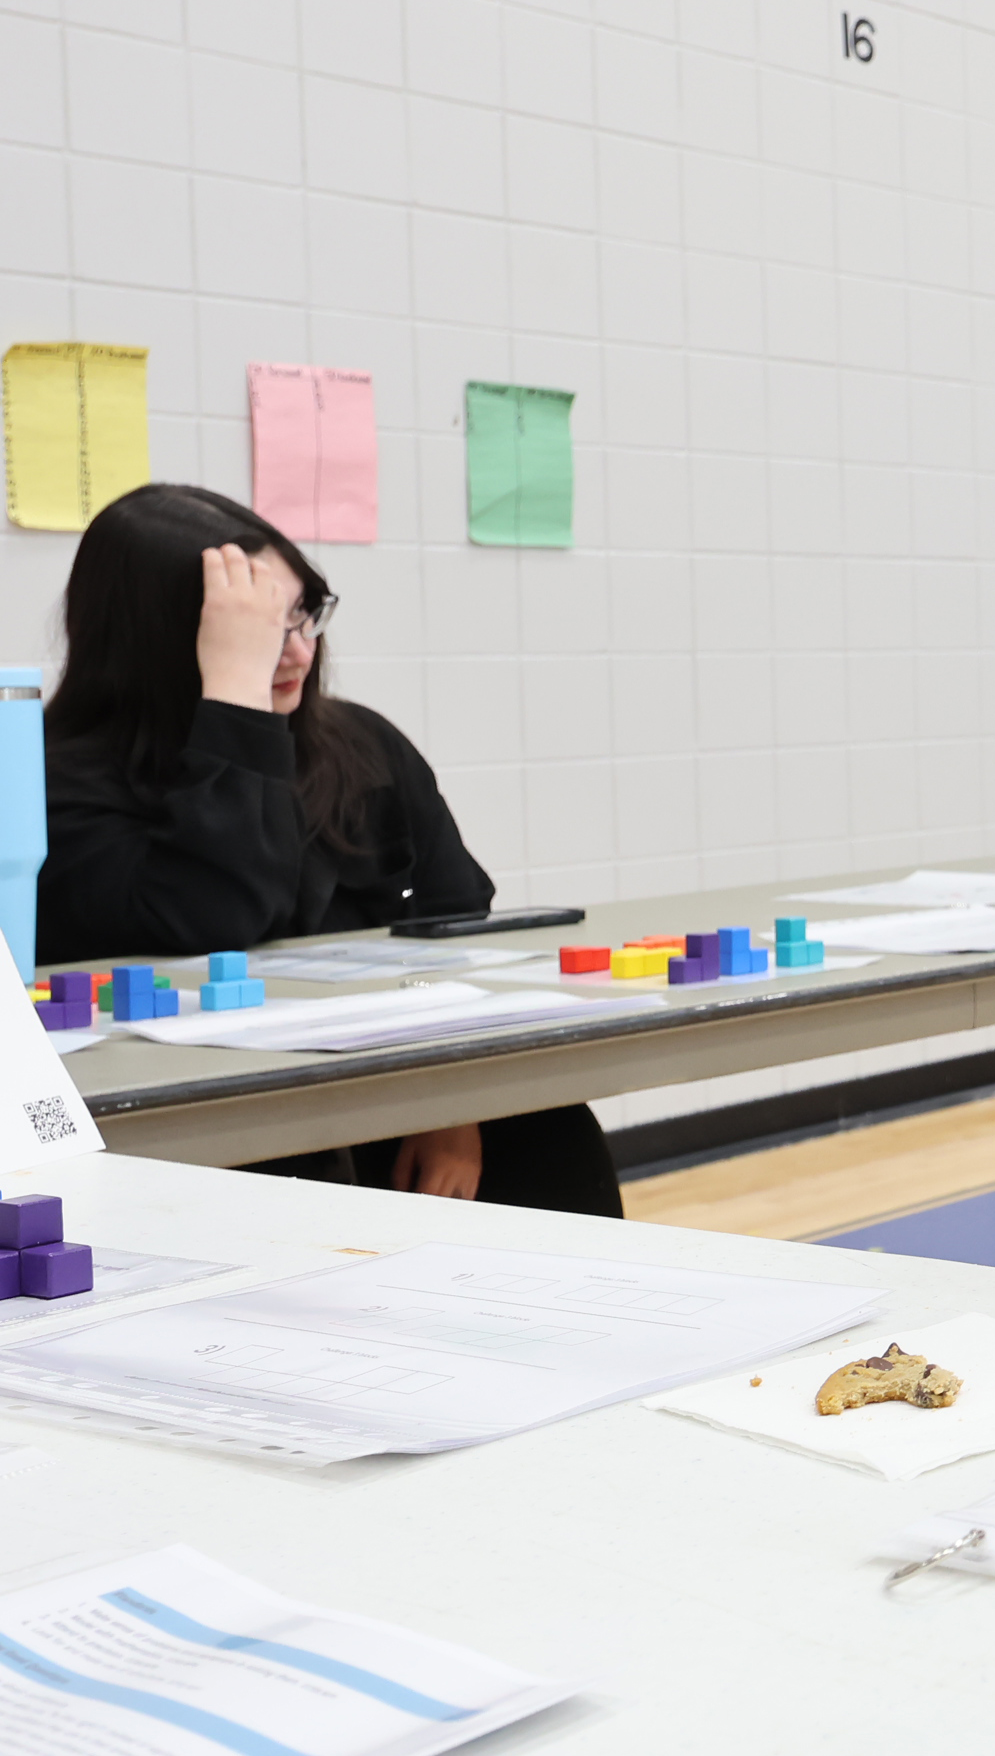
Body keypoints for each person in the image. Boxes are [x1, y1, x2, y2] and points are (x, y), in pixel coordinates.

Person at [40, 484, 623, 1215]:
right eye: (255, 633)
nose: (296, 652)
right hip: (192, 1133)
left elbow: (459, 923)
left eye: (303, 616)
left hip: (385, 1087)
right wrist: (234, 701)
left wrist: (452, 1104)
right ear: (160, 641)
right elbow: (210, 919)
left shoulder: (360, 746)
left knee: (547, 1136)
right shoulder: (56, 782)